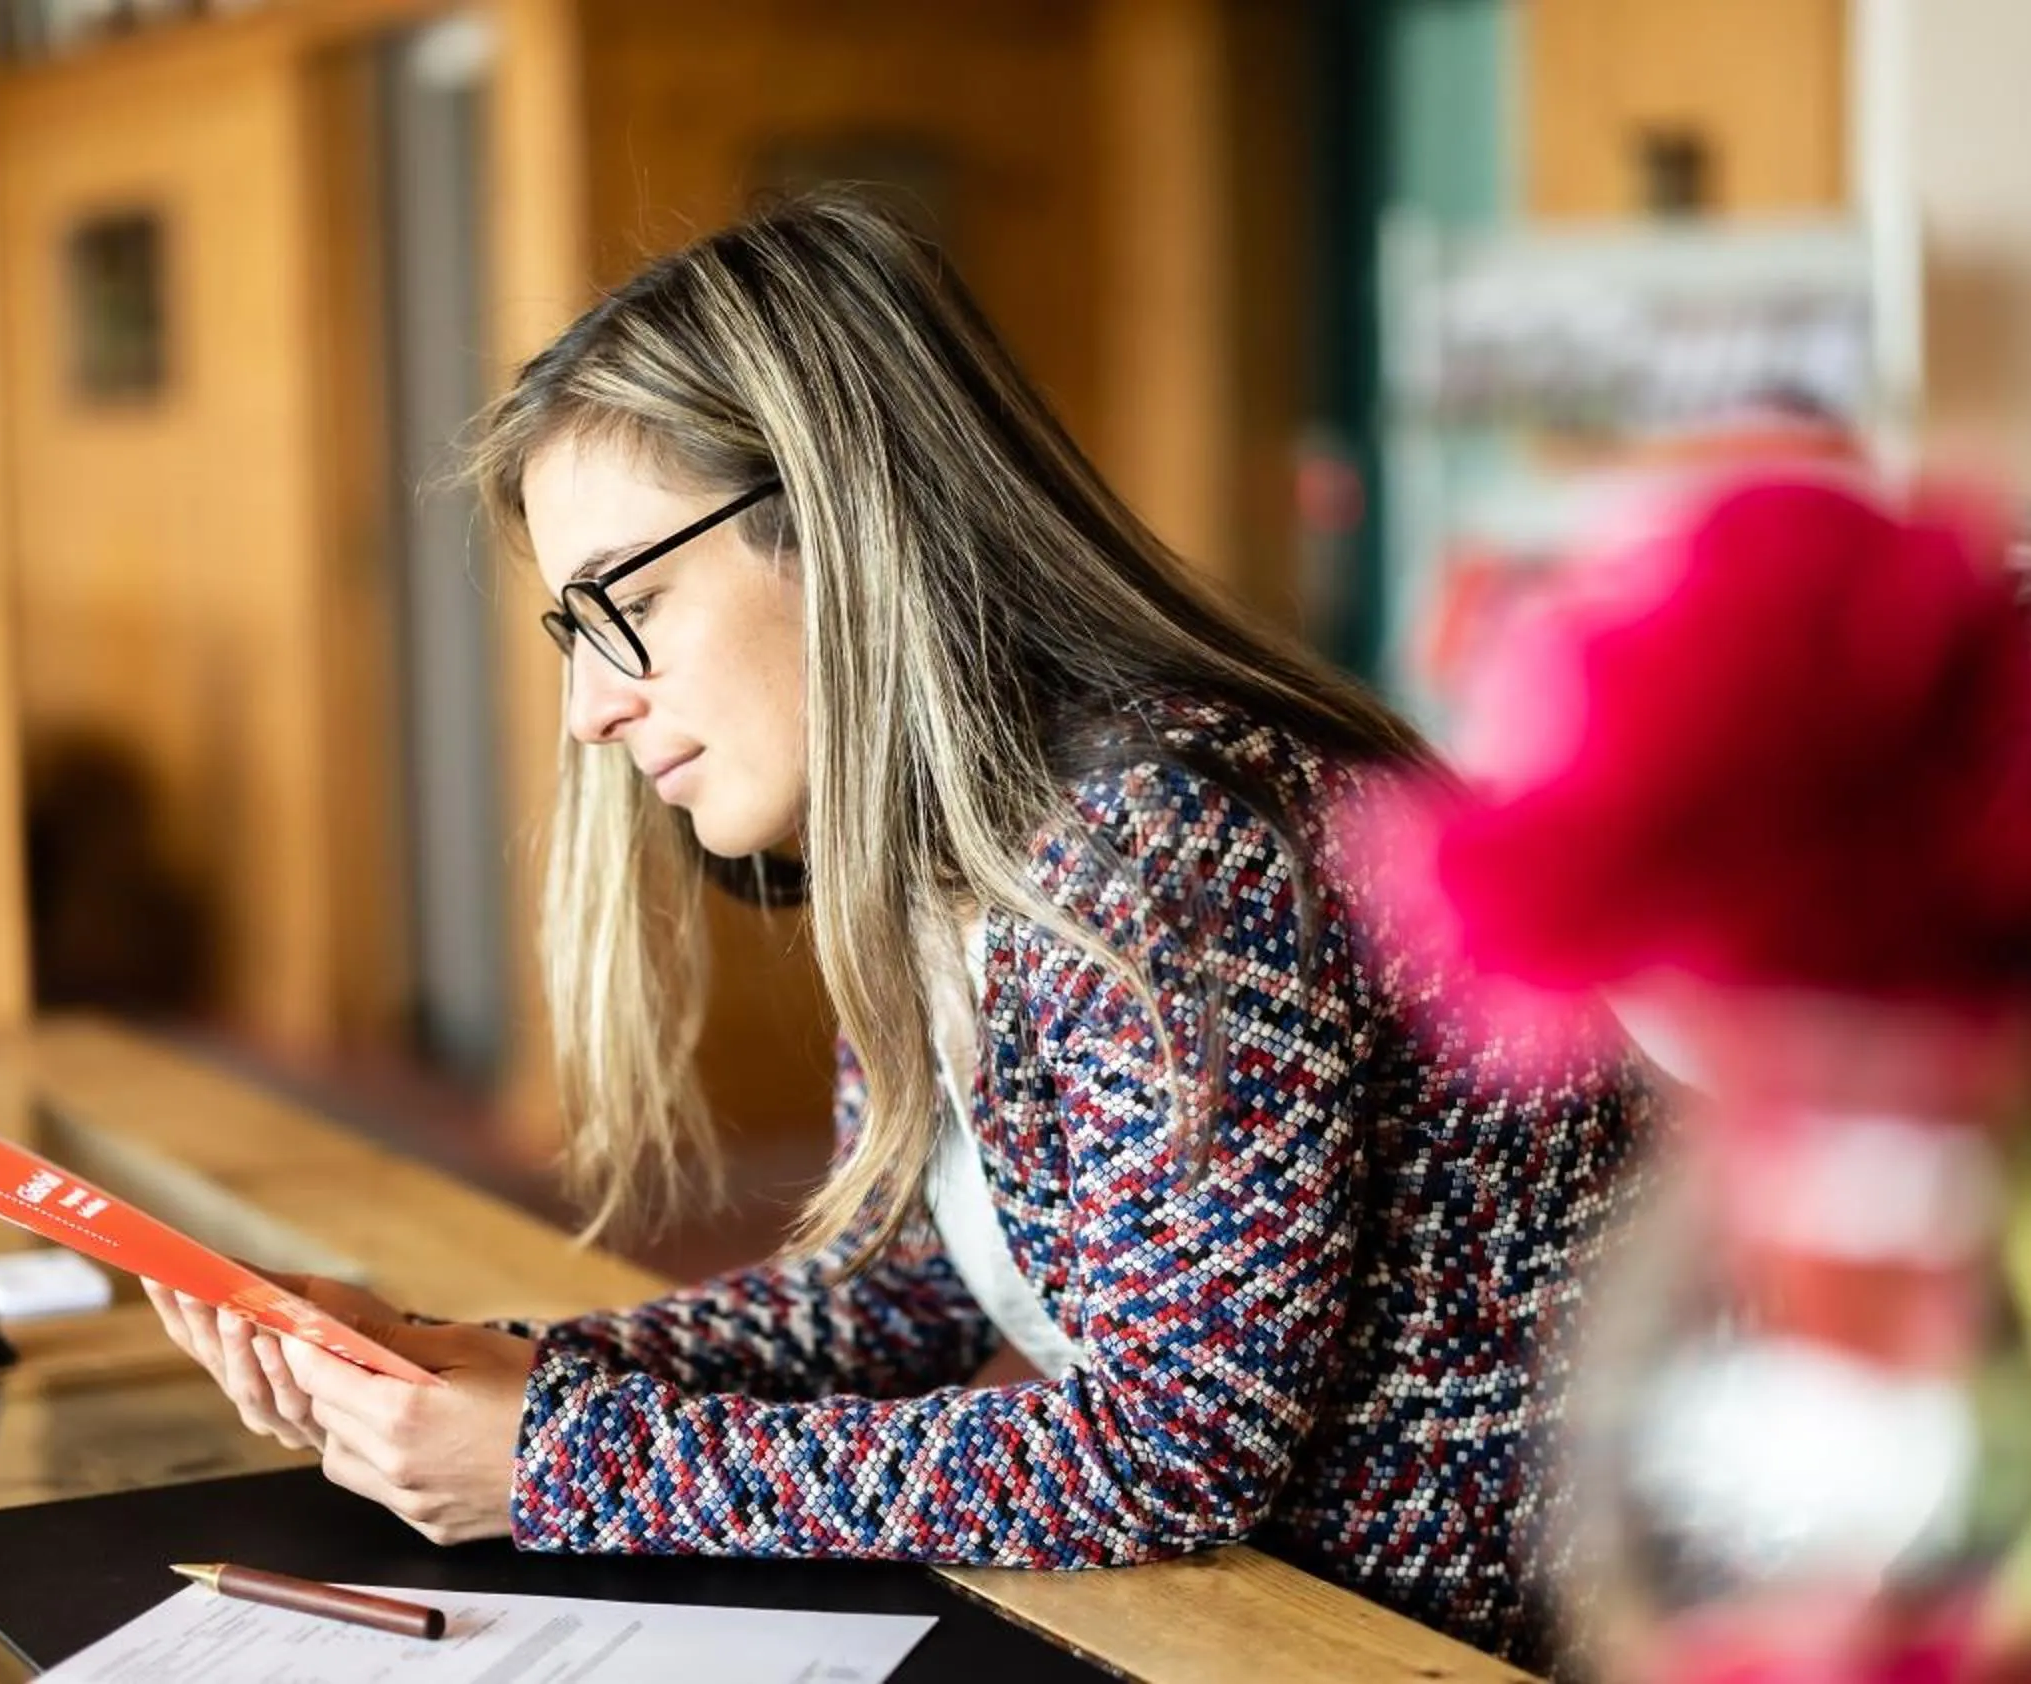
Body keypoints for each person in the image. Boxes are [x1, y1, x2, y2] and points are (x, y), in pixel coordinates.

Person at [143, 190, 1648, 1670]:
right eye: (572, 629)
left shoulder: (1169, 844)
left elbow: (1174, 1448)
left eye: (629, 603)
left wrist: (567, 1460)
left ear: (841, 525)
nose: (591, 708)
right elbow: (912, 1288)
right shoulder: (947, 854)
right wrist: (487, 1369)